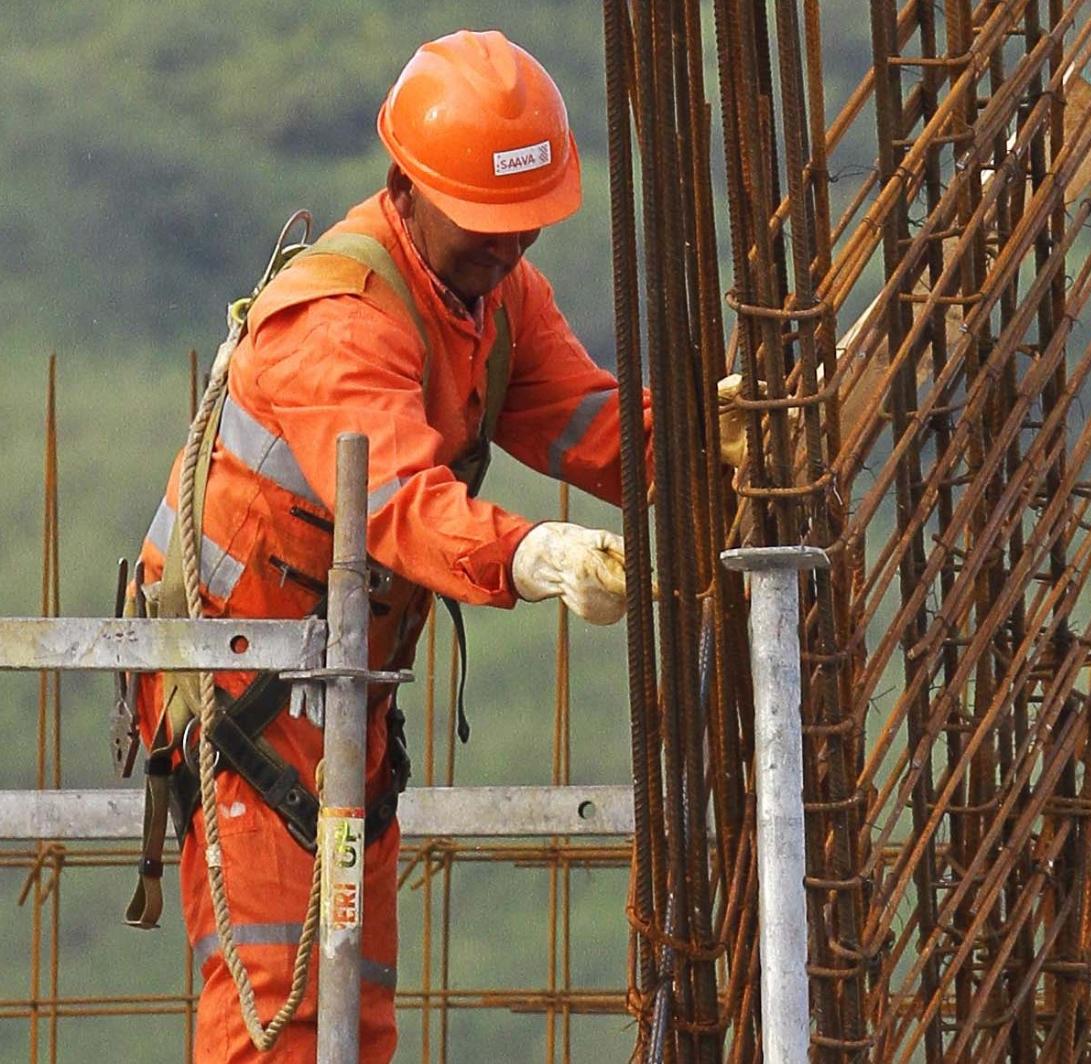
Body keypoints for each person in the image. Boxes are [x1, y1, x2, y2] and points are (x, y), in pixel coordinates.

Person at [130, 29, 746, 1061]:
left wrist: (700, 436)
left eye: (525, 227)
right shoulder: (337, 322)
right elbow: (399, 502)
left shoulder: (490, 297)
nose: (508, 248)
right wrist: (530, 554)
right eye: (487, 227)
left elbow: (581, 422)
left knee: (353, 994)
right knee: (280, 988)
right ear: (405, 190)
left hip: (339, 679)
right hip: (247, 688)